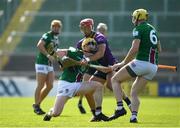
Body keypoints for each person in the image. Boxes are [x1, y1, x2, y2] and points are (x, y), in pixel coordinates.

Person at [109, 9, 162, 123]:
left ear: (137, 18)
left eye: (134, 17)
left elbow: (135, 48)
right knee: (134, 92)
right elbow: (159, 49)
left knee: (115, 80)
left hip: (141, 63)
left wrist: (123, 62)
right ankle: (134, 116)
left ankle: (120, 108)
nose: (133, 19)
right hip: (153, 67)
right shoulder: (153, 29)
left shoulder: (138, 29)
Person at [76, 18, 131, 120]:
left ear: (91, 27)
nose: (84, 29)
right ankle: (97, 113)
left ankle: (127, 103)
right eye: (82, 28)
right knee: (89, 89)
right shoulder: (81, 43)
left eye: (86, 27)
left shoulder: (100, 37)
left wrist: (87, 59)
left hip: (110, 65)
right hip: (101, 69)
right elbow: (78, 56)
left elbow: (100, 53)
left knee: (111, 85)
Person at [43, 38, 109, 122]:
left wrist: (112, 68)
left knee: (98, 86)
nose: (92, 46)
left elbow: (104, 69)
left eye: (93, 44)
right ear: (84, 46)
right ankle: (50, 112)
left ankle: (98, 113)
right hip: (66, 84)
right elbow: (59, 53)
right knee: (56, 113)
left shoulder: (92, 60)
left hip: (78, 85)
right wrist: (66, 59)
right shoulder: (75, 52)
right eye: (89, 44)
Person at [33, 20, 62, 115]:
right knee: (40, 85)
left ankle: (37, 104)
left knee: (50, 85)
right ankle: (37, 106)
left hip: (49, 64)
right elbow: (39, 45)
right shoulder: (47, 35)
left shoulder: (56, 38)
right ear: (51, 27)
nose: (55, 28)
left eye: (57, 26)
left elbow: (54, 52)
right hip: (42, 62)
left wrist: (60, 61)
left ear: (60, 28)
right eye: (54, 26)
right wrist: (47, 55)